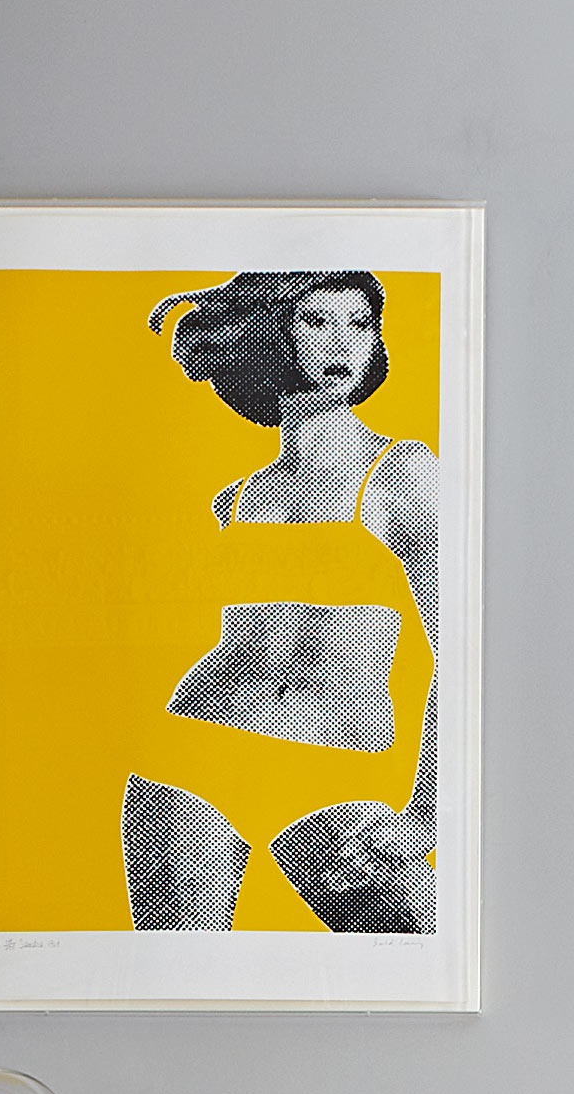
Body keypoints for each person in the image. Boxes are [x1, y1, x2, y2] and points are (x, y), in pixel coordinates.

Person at [127, 270, 440, 934]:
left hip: (335, 776)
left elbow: (468, 650)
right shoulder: (235, 499)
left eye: (361, 323)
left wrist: (426, 814)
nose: (344, 343)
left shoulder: (404, 472)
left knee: (430, 955)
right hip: (191, 758)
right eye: (316, 320)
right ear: (272, 334)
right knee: (173, 985)